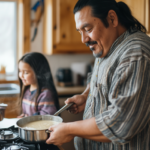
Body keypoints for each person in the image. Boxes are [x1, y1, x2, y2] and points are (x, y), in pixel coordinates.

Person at [46, 0, 150, 150]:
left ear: (112, 18)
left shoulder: (136, 54)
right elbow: (101, 80)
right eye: (80, 32)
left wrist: (69, 129)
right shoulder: (106, 46)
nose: (83, 39)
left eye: (87, 29)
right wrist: (86, 96)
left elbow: (121, 124)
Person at [17, 52, 59, 118]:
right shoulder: (27, 90)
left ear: (38, 72)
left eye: (26, 72)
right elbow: (28, 114)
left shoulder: (45, 94)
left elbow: (47, 117)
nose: (21, 75)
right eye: (20, 71)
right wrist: (24, 117)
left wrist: (27, 119)